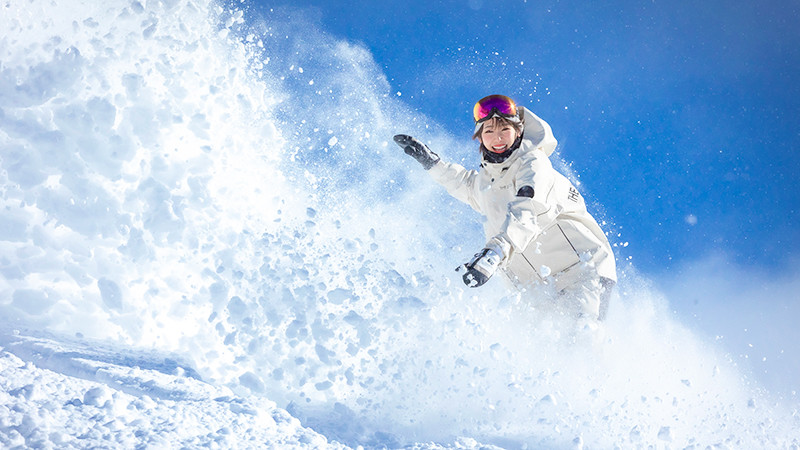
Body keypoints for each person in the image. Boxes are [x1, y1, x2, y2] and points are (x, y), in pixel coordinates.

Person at [393, 94, 617, 322]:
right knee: (547, 355)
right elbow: (464, 184)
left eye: (504, 130)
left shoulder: (534, 164)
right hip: (536, 292)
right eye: (488, 131)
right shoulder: (486, 180)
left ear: (518, 131)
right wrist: (431, 163)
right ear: (479, 138)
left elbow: (528, 210)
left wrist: (494, 254)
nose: (497, 138)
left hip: (580, 271)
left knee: (581, 340)